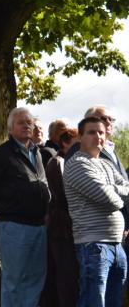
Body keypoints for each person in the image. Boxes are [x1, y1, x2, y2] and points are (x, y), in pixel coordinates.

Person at [0, 107, 50, 307]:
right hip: (15, 227)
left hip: (39, 225)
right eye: (21, 123)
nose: (27, 126)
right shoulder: (2, 155)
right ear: (10, 129)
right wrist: (6, 208)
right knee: (14, 281)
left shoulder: (38, 153)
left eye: (29, 122)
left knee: (36, 279)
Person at [64, 116, 129, 307]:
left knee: (113, 302)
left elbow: (126, 188)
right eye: (92, 132)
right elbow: (109, 199)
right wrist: (115, 193)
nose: (98, 136)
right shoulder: (77, 164)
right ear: (80, 137)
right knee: (94, 301)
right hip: (93, 245)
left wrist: (111, 189)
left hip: (117, 245)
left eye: (101, 132)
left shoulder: (107, 164)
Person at [40, 128, 80, 307]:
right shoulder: (58, 163)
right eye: (76, 141)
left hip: (70, 228)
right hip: (61, 228)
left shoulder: (72, 162)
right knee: (65, 276)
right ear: (65, 143)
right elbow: (64, 196)